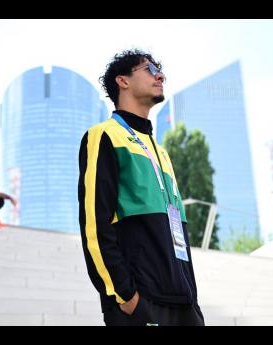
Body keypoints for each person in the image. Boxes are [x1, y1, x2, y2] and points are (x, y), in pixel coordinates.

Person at [78, 49, 204, 326]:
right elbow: (94, 225)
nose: (161, 75)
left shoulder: (161, 152)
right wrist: (126, 297)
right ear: (123, 81)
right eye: (149, 69)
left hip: (184, 304)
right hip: (141, 305)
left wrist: (193, 301)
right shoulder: (104, 136)